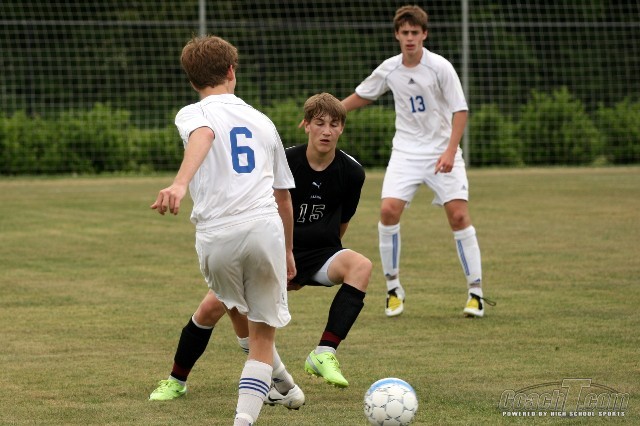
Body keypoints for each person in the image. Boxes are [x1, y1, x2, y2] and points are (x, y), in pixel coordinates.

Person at [148, 93, 370, 400]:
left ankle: (324, 353)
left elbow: (342, 223)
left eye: (334, 124)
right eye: (319, 123)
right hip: (272, 248)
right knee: (211, 309)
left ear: (342, 128)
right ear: (306, 125)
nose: (327, 131)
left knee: (361, 266)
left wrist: (315, 260)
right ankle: (176, 380)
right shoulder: (286, 160)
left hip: (318, 254)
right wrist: (284, 256)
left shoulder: (353, 172)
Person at [150, 35, 297, 426]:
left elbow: (204, 133)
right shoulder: (263, 121)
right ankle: (248, 416)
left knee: (234, 305)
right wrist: (287, 251)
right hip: (263, 227)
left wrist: (180, 184)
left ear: (192, 81)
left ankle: (285, 385)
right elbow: (283, 197)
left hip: (216, 236)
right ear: (232, 71)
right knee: (261, 336)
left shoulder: (192, 112)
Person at [341, 5, 493, 318]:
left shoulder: (440, 67)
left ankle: (476, 293)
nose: (409, 38)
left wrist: (450, 151)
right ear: (397, 35)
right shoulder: (390, 69)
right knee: (388, 211)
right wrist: (330, 110)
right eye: (404, 32)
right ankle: (393, 289)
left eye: (415, 32)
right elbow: (365, 94)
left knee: (459, 216)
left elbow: (460, 110)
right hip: (406, 153)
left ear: (424, 34)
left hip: (442, 151)